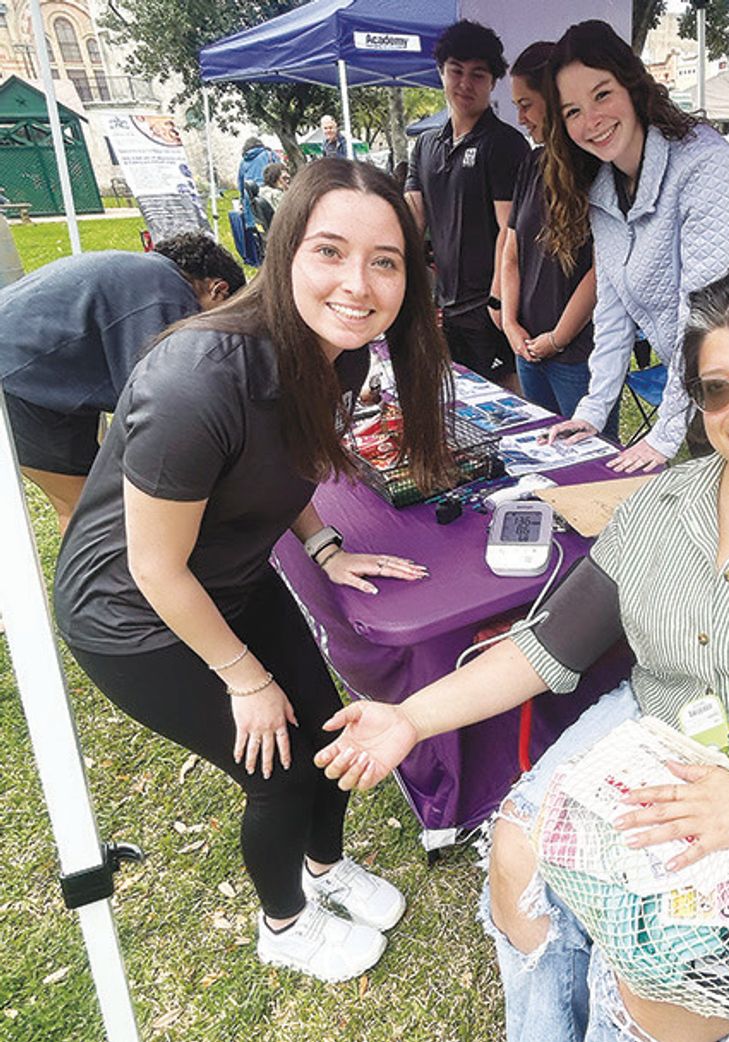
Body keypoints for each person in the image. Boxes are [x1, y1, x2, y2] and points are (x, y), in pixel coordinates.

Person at [315, 253, 729, 1042]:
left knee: (662, 971)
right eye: (717, 388)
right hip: (666, 728)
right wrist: (408, 718)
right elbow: (547, 647)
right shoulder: (663, 508)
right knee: (517, 853)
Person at [53, 159, 456, 984]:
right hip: (133, 617)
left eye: (385, 261)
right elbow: (154, 566)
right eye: (330, 252)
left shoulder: (338, 355)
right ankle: (284, 924)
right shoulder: (194, 382)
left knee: (328, 735)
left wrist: (324, 548)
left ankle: (325, 868)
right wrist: (242, 677)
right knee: (273, 766)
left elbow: (289, 462)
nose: (359, 283)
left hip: (234, 577)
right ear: (284, 255)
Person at [539, 21, 729, 472]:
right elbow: (611, 312)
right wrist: (593, 410)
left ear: (632, 85)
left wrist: (665, 432)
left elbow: (702, 309)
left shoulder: (702, 161)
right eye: (572, 111)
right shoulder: (602, 189)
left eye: (602, 95)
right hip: (701, 381)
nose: (591, 121)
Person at [0, 233, 245, 531]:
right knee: (84, 512)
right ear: (218, 290)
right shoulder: (168, 294)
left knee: (93, 501)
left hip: (40, 372)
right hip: (20, 379)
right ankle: (93, 575)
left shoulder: (143, 273)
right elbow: (156, 400)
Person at [501, 42, 617, 438]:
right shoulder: (531, 164)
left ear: (554, 99)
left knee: (591, 461)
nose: (520, 117)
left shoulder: (598, 167)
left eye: (526, 104)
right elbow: (511, 251)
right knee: (540, 456)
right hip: (528, 349)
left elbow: (604, 269)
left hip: (579, 354)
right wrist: (510, 323)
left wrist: (558, 338)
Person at [405, 20, 530, 388]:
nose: (465, 84)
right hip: (444, 305)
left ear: (493, 82)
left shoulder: (505, 144)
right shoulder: (426, 145)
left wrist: (497, 303)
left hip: (488, 306)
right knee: (458, 401)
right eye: (456, 71)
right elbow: (412, 217)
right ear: (440, 72)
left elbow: (511, 233)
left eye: (478, 75)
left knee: (505, 403)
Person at [237, 136, 276, 230]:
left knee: (258, 231)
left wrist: (241, 201)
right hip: (267, 197)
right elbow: (279, 172)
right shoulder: (269, 155)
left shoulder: (243, 162)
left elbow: (240, 184)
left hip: (250, 201)